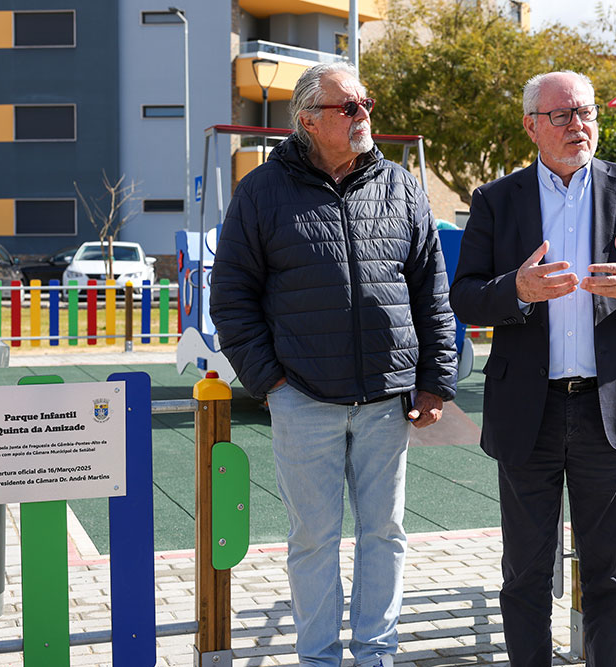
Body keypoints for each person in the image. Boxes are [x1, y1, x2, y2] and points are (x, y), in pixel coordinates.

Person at [210, 62, 457, 667]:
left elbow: (432, 290)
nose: (363, 114)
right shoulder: (263, 192)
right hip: (304, 399)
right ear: (308, 121)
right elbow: (232, 296)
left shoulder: (401, 187)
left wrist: (435, 379)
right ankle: (319, 658)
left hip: (386, 399)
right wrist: (269, 381)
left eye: (365, 102)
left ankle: (375, 654)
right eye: (348, 107)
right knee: (314, 540)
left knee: (385, 535)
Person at [449, 70, 616, 666]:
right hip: (527, 414)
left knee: (609, 573)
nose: (577, 125)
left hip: (606, 408)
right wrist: (518, 289)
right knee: (526, 573)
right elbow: (463, 295)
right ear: (532, 125)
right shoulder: (495, 200)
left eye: (585, 112)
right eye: (561, 115)